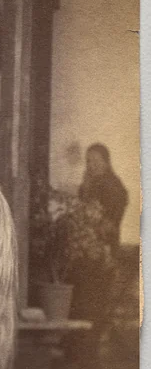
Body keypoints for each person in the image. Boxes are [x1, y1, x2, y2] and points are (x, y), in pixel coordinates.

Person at [72, 143, 128, 347]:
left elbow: (110, 222)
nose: (91, 165)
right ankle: (80, 348)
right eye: (88, 161)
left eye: (96, 161)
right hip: (86, 250)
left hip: (102, 251)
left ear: (106, 162)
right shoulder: (88, 184)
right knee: (83, 298)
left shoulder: (113, 186)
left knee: (96, 300)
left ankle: (90, 351)